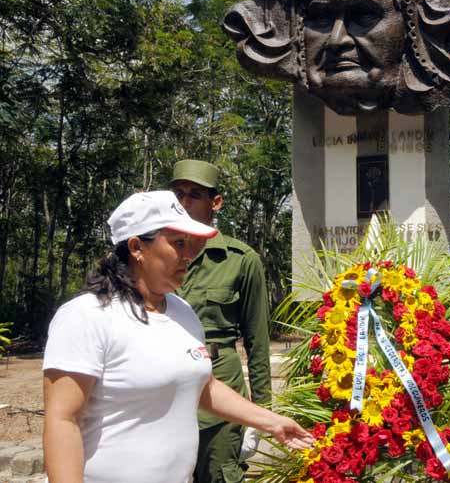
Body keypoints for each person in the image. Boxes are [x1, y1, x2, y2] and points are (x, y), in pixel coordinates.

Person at [42, 191, 313, 483]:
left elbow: (201, 384)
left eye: (191, 244)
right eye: (178, 244)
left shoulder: (181, 311)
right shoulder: (87, 316)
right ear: (136, 247)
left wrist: (271, 422)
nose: (189, 255)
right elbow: (62, 420)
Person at [168, 159, 272, 483]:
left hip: (221, 400)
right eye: (178, 194)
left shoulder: (242, 261)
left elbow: (257, 342)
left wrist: (260, 415)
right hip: (165, 398)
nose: (184, 203)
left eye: (194, 195)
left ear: (216, 202)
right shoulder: (153, 256)